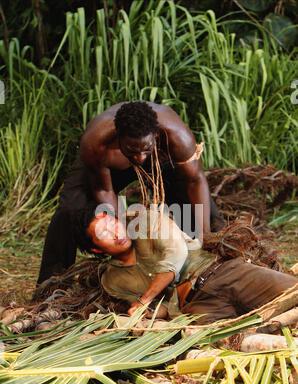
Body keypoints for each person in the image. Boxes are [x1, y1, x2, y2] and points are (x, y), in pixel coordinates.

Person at [37, 101, 223, 285]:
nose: (140, 158)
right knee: (70, 208)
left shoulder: (178, 137)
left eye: (145, 150)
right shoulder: (96, 142)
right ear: (118, 138)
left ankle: (215, 263)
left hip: (161, 158)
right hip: (111, 164)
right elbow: (104, 189)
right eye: (133, 150)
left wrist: (204, 236)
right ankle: (53, 286)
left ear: (156, 135)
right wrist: (123, 238)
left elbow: (195, 181)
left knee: (199, 213)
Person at [73, 204, 297, 324]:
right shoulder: (113, 280)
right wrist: (147, 312)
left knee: (292, 294)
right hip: (195, 308)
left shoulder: (147, 221)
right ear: (96, 249)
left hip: (222, 274)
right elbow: (158, 309)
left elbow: (177, 254)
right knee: (246, 341)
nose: (115, 232)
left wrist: (144, 300)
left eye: (113, 223)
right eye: (104, 233)